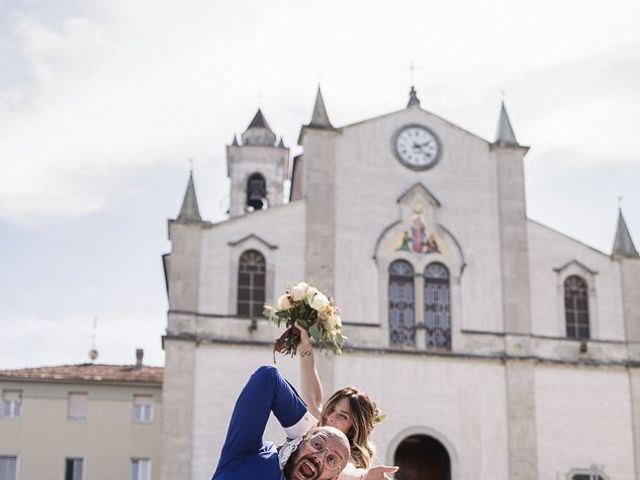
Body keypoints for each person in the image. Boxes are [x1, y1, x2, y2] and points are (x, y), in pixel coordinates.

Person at [211, 365, 351, 480]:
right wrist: (304, 430)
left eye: (332, 460)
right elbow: (267, 378)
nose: (319, 457)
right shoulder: (251, 455)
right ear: (301, 440)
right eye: (317, 444)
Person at [296, 325, 399, 480]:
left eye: (342, 416)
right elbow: (313, 398)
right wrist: (305, 345)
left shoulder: (347, 457)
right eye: (332, 410)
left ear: (353, 429)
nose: (330, 417)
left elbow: (350, 473)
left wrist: (364, 477)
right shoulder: (319, 430)